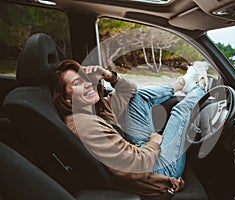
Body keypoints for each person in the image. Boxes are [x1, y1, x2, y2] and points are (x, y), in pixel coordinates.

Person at [50, 59, 208, 196]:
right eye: (77, 83)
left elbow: (130, 90)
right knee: (180, 112)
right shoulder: (86, 125)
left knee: (139, 97)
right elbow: (135, 165)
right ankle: (201, 87)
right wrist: (154, 143)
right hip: (157, 174)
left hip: (139, 152)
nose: (88, 84)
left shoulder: (95, 109)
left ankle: (183, 83)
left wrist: (108, 75)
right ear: (67, 99)